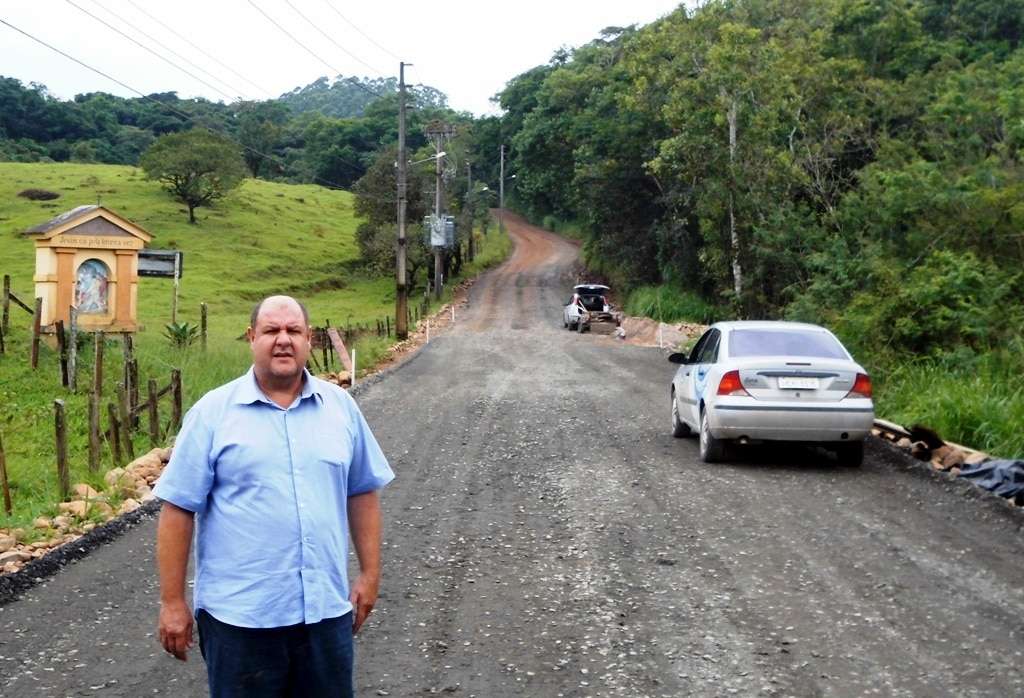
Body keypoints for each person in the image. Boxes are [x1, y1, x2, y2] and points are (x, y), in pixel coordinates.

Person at [154, 295, 394, 697]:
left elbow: (362, 492)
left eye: (293, 331)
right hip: (241, 621)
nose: (283, 340)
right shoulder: (213, 413)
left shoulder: (341, 409)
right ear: (252, 337)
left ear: (309, 339)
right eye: (271, 331)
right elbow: (178, 508)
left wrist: (370, 575)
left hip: (325, 614)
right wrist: (172, 602)